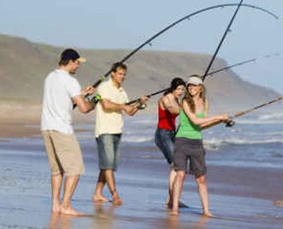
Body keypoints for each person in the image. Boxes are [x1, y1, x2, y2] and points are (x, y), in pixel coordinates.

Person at [41, 48, 96, 216]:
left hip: (47, 128)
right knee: (75, 168)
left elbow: (63, 98)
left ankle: (56, 204)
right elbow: (84, 108)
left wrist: (82, 94)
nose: (78, 66)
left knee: (57, 169)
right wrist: (95, 101)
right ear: (70, 62)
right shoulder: (71, 81)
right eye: (77, 63)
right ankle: (66, 205)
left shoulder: (50, 77)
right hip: (62, 130)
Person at [171, 75, 229, 217]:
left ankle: (206, 210)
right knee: (180, 174)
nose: (192, 88)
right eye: (190, 86)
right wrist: (218, 117)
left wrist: (221, 121)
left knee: (201, 178)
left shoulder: (205, 102)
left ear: (201, 87)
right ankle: (174, 208)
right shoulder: (184, 102)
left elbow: (202, 125)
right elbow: (195, 121)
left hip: (196, 141)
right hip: (182, 140)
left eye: (195, 86)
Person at [93, 62, 149, 205]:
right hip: (104, 130)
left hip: (117, 130)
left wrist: (140, 104)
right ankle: (115, 195)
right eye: (120, 73)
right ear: (112, 73)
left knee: (108, 165)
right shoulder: (104, 87)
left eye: (124, 74)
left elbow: (129, 111)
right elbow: (106, 105)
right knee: (108, 165)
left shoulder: (122, 92)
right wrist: (124, 106)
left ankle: (97, 193)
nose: (122, 77)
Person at [154, 77, 188, 209]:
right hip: (163, 134)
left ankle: (171, 199)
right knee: (176, 165)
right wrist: (184, 109)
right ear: (173, 88)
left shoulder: (176, 99)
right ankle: (173, 199)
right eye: (179, 89)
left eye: (182, 89)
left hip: (172, 133)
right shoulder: (166, 99)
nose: (180, 92)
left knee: (175, 165)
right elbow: (173, 111)